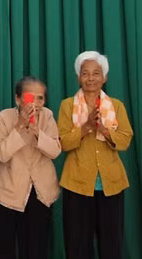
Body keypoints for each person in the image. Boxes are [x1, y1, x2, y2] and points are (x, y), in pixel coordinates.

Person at [58, 51, 133, 259]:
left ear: (105, 77)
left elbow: (126, 139)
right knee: (77, 244)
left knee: (111, 243)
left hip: (112, 185)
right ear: (78, 77)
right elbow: (62, 142)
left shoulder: (116, 106)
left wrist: (106, 130)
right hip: (77, 184)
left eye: (96, 73)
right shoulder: (67, 106)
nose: (90, 78)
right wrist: (87, 127)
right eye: (85, 73)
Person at [0, 77, 61, 259]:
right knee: (4, 247)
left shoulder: (47, 116)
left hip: (40, 193)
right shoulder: (4, 117)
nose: (36, 104)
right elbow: (2, 154)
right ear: (18, 99)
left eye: (40, 98)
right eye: (30, 98)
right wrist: (20, 126)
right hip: (8, 192)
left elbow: (55, 151)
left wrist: (37, 132)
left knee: (36, 247)